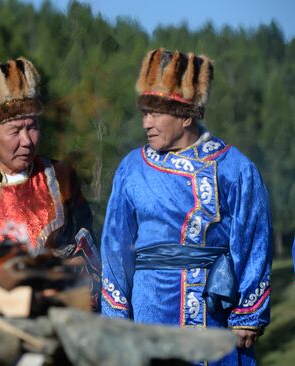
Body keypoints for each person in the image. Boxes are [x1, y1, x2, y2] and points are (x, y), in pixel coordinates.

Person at [100, 48, 272, 365]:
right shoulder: (131, 169)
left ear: (185, 115)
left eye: (155, 114)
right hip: (149, 307)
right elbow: (115, 246)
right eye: (144, 114)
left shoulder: (234, 167)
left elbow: (254, 239)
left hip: (215, 308)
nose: (146, 123)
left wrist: (249, 311)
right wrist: (114, 313)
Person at [0, 57, 100, 302]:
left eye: (32, 127)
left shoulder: (61, 177)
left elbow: (87, 251)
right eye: (15, 131)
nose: (27, 141)